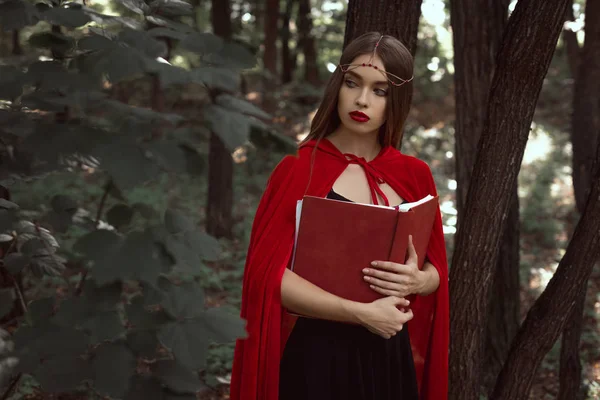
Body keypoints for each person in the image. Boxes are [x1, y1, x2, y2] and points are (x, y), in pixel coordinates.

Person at [230, 32, 449, 400]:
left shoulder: (413, 174)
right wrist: (360, 313)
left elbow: (435, 272)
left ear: (397, 100)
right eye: (353, 84)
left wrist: (416, 281)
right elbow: (266, 277)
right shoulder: (298, 167)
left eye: (380, 90)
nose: (362, 99)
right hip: (318, 356)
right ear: (338, 85)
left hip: (388, 355)